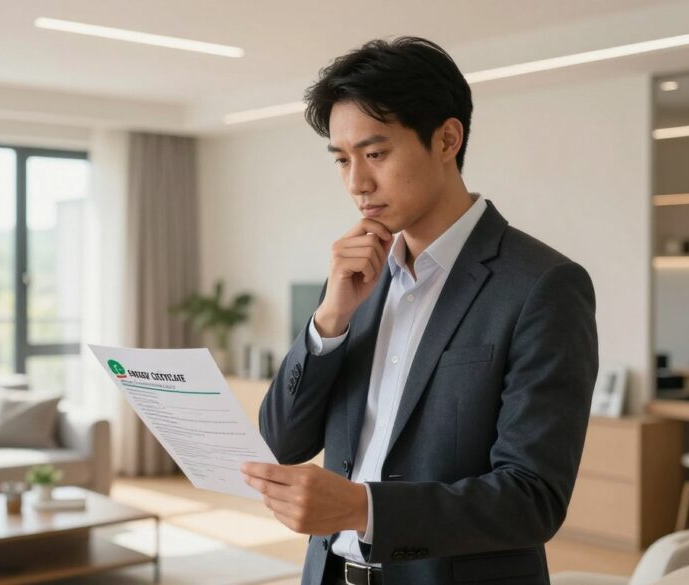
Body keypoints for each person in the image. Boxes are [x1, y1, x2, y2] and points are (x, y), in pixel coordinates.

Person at [241, 37, 598, 585]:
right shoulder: (354, 277)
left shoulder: (543, 285)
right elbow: (284, 442)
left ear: (447, 139)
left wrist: (363, 509)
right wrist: (329, 322)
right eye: (342, 160)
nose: (357, 183)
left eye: (375, 154)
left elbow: (533, 498)